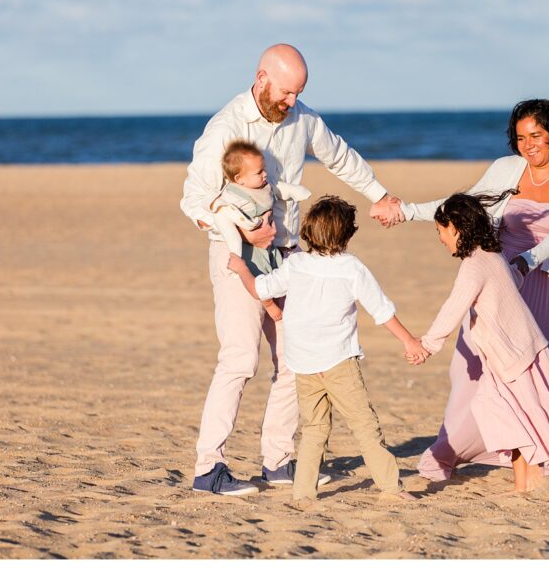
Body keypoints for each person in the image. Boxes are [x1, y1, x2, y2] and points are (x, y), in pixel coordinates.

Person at [181, 44, 405, 496]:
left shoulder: (302, 117)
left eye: (297, 93)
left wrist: (378, 195)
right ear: (261, 77)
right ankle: (209, 469)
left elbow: (339, 156)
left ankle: (278, 461)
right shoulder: (225, 128)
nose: (289, 102)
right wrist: (245, 234)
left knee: (294, 361)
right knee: (240, 360)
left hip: (289, 257)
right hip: (236, 258)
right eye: (284, 92)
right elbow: (193, 201)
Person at [397, 98, 549, 482]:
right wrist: (407, 211)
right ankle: (455, 449)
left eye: (536, 135)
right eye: (521, 137)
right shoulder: (505, 169)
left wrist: (529, 258)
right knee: (472, 372)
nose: (529, 144)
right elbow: (463, 207)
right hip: (504, 283)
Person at [228, 195, 426, 504]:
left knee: (314, 429)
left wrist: (241, 269)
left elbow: (260, 289)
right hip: (338, 363)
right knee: (364, 425)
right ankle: (391, 489)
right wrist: (409, 341)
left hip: (303, 363)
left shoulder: (296, 264)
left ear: (308, 231)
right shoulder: (351, 268)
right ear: (347, 234)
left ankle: (303, 493)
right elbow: (381, 310)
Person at [417, 192, 549, 493]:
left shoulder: (474, 266)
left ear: (455, 227)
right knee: (514, 417)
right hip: (518, 353)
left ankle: (527, 482)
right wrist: (519, 269)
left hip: (515, 357)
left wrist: (427, 344)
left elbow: (454, 307)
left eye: (440, 230)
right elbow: (510, 284)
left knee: (513, 417)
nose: (440, 238)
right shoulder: (492, 256)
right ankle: (526, 482)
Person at [208, 139, 311, 322]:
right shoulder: (234, 194)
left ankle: (285, 300)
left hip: (271, 246)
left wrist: (296, 192)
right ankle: (269, 305)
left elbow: (278, 189)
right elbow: (224, 214)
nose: (265, 175)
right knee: (259, 276)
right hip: (251, 249)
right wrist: (248, 227)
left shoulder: (263, 186)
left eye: (264, 169)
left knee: (278, 270)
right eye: (259, 172)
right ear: (240, 179)